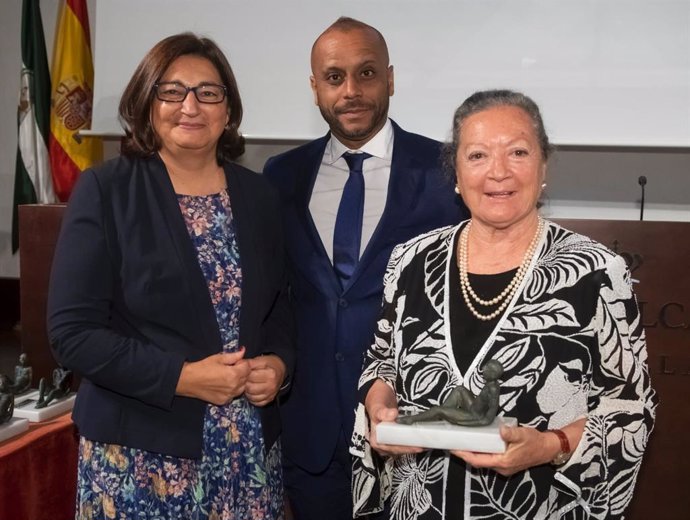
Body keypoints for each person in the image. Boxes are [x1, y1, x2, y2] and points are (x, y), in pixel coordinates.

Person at [352, 89, 657, 519]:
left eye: (517, 152)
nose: (498, 172)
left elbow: (631, 410)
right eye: (477, 156)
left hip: (541, 504)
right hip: (419, 503)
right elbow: (381, 364)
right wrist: (379, 412)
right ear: (456, 173)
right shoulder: (410, 261)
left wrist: (552, 445)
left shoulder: (596, 270)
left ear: (543, 166)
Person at [47, 33, 294, 519]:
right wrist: (181, 378)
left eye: (208, 92)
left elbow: (280, 307)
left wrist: (280, 366)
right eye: (172, 90)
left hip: (247, 455)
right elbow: (72, 335)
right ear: (146, 102)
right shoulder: (106, 190)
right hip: (141, 460)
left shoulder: (260, 196)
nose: (190, 105)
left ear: (228, 110)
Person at [263, 17, 468, 519]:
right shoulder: (280, 175)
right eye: (334, 77)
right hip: (309, 439)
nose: (351, 90)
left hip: (413, 435)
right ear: (315, 88)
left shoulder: (448, 170)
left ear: (391, 79)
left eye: (367, 73)